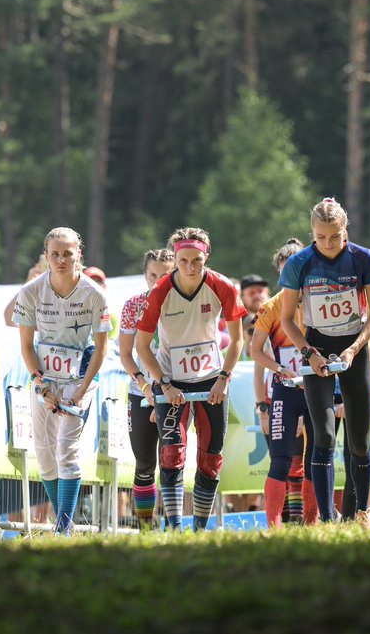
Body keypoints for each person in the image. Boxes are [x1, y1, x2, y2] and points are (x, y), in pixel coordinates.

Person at [279, 198, 370, 525]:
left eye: (335, 236)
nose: (328, 243)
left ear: (345, 230)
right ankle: (327, 518)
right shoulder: (299, 263)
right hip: (317, 349)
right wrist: (309, 353)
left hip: (354, 349)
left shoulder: (363, 258)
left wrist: (354, 348)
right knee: (323, 436)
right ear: (312, 232)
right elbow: (287, 320)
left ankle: (362, 512)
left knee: (359, 440)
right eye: (321, 237)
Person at [135, 227, 245, 531]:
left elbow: (237, 340)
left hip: (211, 379)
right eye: (183, 261)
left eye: (197, 260)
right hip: (172, 379)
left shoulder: (222, 286)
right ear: (175, 259)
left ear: (207, 256)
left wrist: (224, 378)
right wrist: (163, 384)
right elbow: (142, 346)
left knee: (210, 456)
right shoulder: (160, 291)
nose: (190, 267)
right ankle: (174, 528)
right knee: (171, 454)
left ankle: (198, 529)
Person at [12, 227, 112, 534]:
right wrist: (41, 386)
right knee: (45, 455)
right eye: (54, 254)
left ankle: (63, 529)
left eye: (67, 254)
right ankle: (62, 524)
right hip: (44, 377)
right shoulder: (31, 291)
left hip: (80, 376)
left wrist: (81, 390)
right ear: (45, 257)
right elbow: (26, 346)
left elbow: (102, 347)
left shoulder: (95, 294)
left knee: (66, 449)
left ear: (78, 254)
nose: (61, 260)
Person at [249, 239, 309, 527]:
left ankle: (313, 521)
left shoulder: (317, 300)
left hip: (316, 389)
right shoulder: (270, 307)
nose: (291, 278)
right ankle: (274, 525)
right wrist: (280, 369)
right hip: (284, 391)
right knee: (282, 460)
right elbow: (255, 352)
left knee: (314, 459)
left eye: (296, 270)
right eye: (285, 272)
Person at [118, 247, 175, 531]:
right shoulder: (133, 305)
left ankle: (174, 525)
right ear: (145, 275)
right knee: (144, 464)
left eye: (165, 275)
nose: (158, 281)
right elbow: (125, 354)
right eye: (153, 275)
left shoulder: (182, 302)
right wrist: (143, 383)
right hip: (141, 392)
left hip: (174, 391)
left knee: (172, 461)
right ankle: (145, 529)